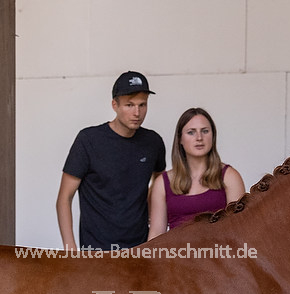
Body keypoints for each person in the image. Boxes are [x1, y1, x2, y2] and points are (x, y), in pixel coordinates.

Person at [56, 71, 166, 251]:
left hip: (139, 250)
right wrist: (70, 249)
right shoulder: (88, 140)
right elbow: (64, 198)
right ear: (114, 105)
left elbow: (161, 183)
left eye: (142, 105)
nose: (137, 112)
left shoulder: (153, 142)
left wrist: (150, 214)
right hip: (97, 253)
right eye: (129, 105)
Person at [147, 107, 246, 237]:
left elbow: (240, 231)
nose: (199, 138)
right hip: (176, 255)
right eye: (191, 132)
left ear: (213, 136)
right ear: (180, 139)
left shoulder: (229, 176)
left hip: (218, 255)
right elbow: (155, 234)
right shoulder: (163, 183)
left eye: (205, 131)